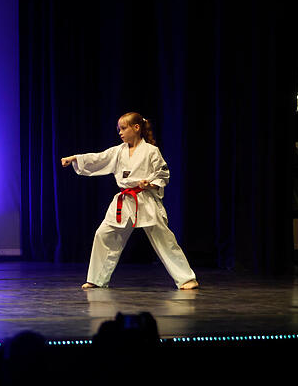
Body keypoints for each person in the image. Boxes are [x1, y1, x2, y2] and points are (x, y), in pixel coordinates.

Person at [60, 112, 199, 290]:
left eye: (124, 128)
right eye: (119, 129)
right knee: (103, 234)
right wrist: (75, 158)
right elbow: (99, 157)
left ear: (136, 128)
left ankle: (186, 279)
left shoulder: (151, 151)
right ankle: (97, 279)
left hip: (145, 200)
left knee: (164, 239)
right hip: (124, 200)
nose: (120, 132)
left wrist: (150, 184)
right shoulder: (119, 151)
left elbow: (163, 174)